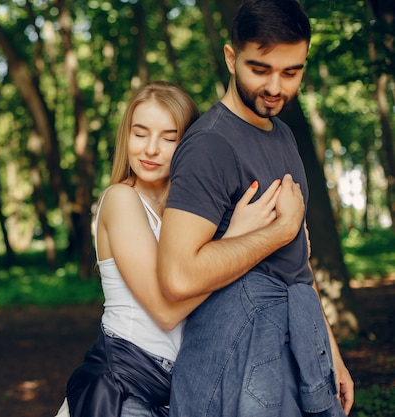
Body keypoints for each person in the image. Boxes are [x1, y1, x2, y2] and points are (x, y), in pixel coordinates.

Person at [157, 1, 354, 416]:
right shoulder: (210, 144)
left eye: (291, 72)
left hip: (298, 340)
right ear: (231, 58)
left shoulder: (282, 134)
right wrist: (276, 233)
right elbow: (177, 276)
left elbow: (296, 261)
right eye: (260, 69)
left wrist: (329, 352)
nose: (276, 87)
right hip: (240, 354)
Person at [58, 81, 283, 417]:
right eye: (140, 133)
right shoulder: (121, 199)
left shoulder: (190, 214)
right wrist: (238, 239)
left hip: (178, 392)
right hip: (123, 386)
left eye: (169, 137)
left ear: (188, 145)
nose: (150, 149)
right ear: (126, 137)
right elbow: (167, 311)